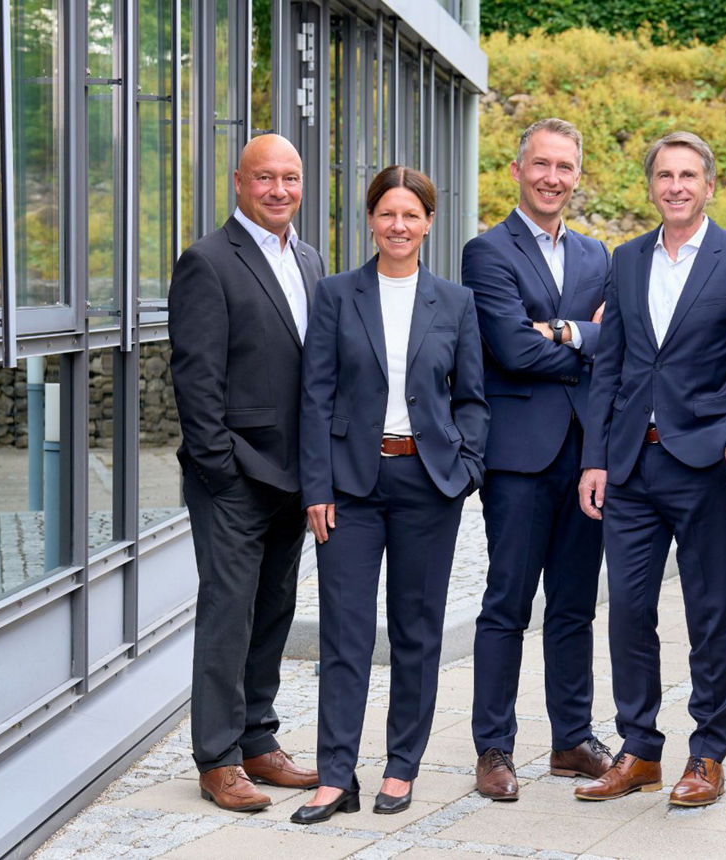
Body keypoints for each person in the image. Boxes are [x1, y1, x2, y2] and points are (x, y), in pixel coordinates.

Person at [576, 131, 726, 806]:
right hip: (630, 468)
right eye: (664, 175)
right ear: (651, 186)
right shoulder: (627, 259)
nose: (675, 186)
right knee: (628, 612)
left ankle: (707, 755)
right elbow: (610, 366)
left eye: (688, 175)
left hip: (703, 466)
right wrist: (595, 459)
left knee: (709, 613)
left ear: (709, 186)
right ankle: (639, 749)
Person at [293, 166, 489, 824]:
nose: (398, 226)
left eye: (411, 215)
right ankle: (335, 776)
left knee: (416, 633)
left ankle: (402, 766)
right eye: (387, 214)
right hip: (349, 487)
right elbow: (315, 396)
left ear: (429, 222)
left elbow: (472, 399)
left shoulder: (455, 303)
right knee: (344, 635)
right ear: (370, 220)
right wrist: (316, 485)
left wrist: (466, 469)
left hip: (427, 485)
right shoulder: (335, 295)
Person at [168, 133, 324, 812]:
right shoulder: (207, 261)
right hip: (234, 476)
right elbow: (195, 379)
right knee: (227, 615)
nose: (279, 190)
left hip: (292, 476)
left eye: (290, 177)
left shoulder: (309, 259)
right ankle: (218, 758)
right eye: (265, 178)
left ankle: (259, 739)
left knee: (273, 611)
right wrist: (221, 468)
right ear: (239, 182)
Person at [461, 118, 613, 800]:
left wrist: (561, 331)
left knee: (575, 606)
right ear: (518, 170)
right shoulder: (487, 252)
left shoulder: (596, 255)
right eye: (541, 164)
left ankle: (571, 740)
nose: (553, 177)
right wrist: (585, 340)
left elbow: (617, 342)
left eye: (565, 167)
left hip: (586, 456)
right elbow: (511, 349)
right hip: (519, 459)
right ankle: (494, 748)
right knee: (507, 604)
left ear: (577, 176)